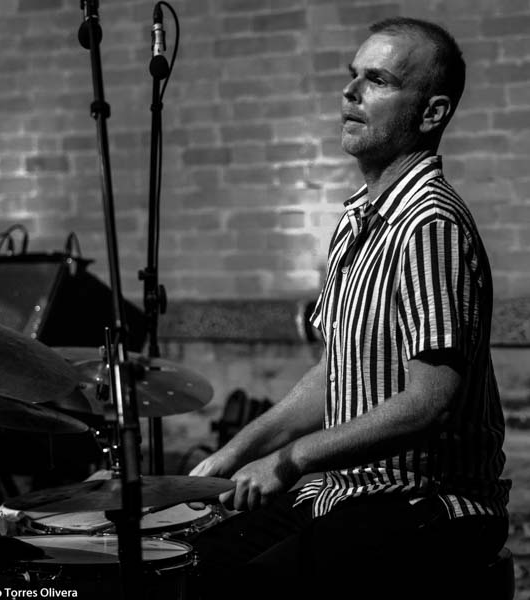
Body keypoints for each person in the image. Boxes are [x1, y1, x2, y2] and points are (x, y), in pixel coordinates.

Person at [187, 16, 512, 600]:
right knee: (193, 565)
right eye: (353, 75)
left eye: (378, 80)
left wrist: (288, 460)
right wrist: (234, 454)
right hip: (343, 494)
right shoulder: (356, 220)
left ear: (432, 113)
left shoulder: (430, 224)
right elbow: (333, 374)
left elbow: (429, 404)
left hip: (426, 504)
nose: (350, 91)